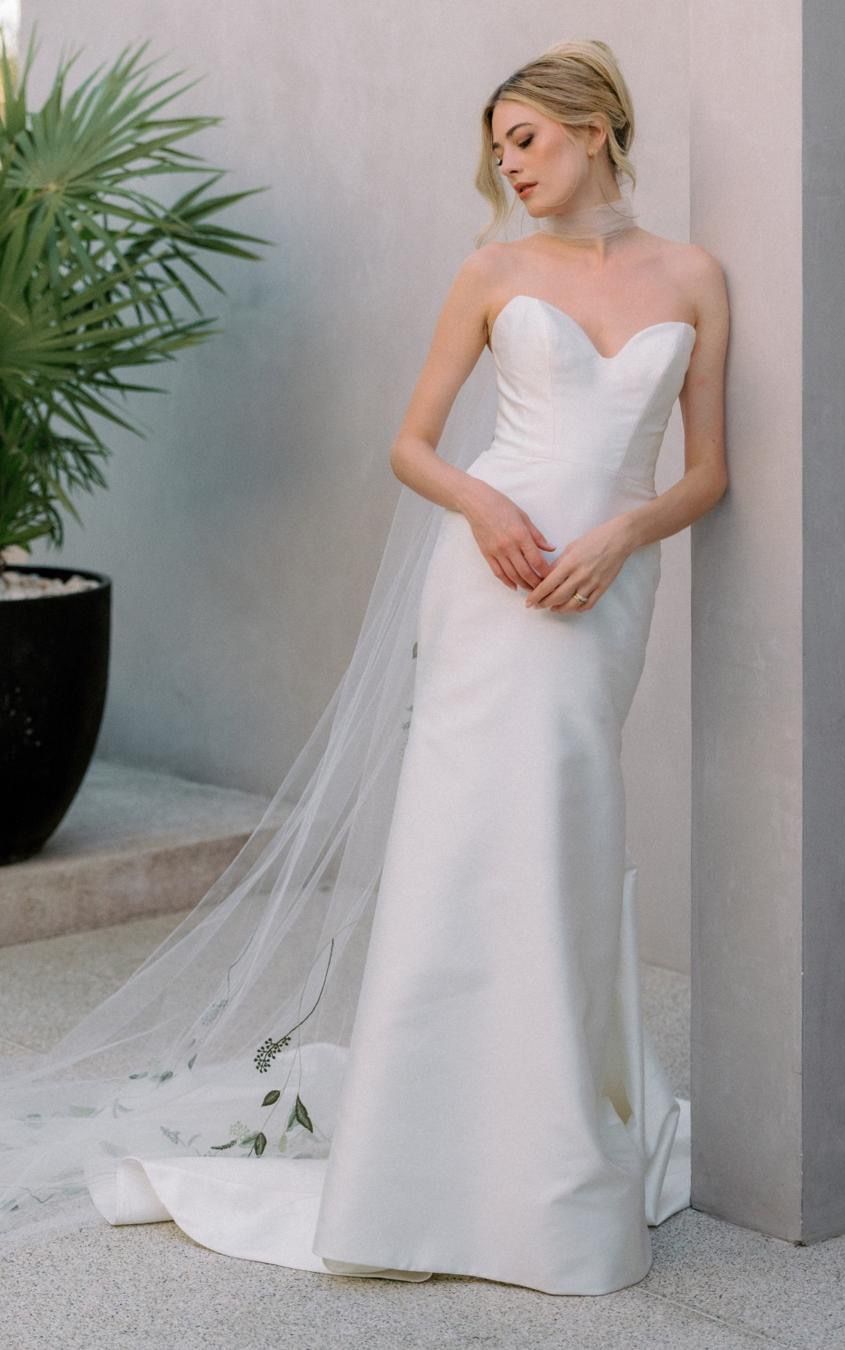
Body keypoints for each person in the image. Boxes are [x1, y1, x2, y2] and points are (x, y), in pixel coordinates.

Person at [0, 38, 728, 1296]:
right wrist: (486, 510)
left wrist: (624, 528)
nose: (509, 164)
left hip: (610, 584)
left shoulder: (696, 276)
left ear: (596, 126)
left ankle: (554, 1128)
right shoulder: (491, 271)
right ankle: (428, 1156)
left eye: (527, 139)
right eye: (498, 146)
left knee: (567, 824)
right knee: (468, 839)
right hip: (493, 583)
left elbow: (708, 470)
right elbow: (410, 444)